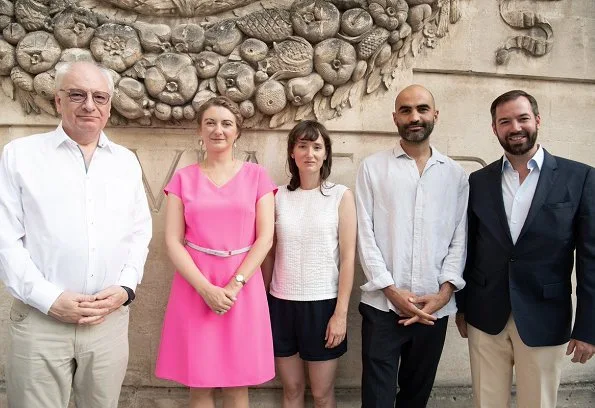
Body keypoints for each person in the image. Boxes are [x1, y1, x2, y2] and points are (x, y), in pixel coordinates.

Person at [0, 61, 152, 408]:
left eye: (99, 97)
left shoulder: (125, 162)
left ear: (109, 106)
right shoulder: (20, 156)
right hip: (41, 320)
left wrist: (126, 289)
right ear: (58, 101)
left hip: (107, 321)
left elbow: (139, 232)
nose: (89, 105)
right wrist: (49, 299)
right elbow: (5, 240)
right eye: (77, 95)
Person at [455, 89, 595, 408]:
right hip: (485, 316)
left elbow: (591, 259)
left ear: (537, 121)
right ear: (494, 129)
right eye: (505, 121)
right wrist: (462, 307)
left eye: (522, 118)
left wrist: (589, 327)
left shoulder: (580, 178)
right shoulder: (478, 181)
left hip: (546, 316)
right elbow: (468, 248)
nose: (515, 127)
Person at [155, 96, 277, 407]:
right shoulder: (183, 179)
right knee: (200, 383)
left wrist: (235, 285)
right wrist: (205, 289)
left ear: (238, 132)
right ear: (200, 129)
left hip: (242, 288)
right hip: (195, 286)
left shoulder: (257, 176)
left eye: (226, 124)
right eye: (210, 122)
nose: (218, 130)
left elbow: (265, 238)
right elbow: (172, 240)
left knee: (238, 384)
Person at [356, 84, 469, 408]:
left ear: (435, 114)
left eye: (422, 109)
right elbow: (366, 236)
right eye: (406, 110)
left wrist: (444, 294)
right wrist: (392, 291)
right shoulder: (373, 168)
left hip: (434, 310)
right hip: (382, 308)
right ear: (395, 117)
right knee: (376, 400)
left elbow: (458, 241)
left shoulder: (455, 175)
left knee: (415, 398)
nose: (414, 116)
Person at [262, 120, 357, 408]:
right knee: (291, 389)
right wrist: (263, 303)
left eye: (317, 147)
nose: (310, 153)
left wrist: (340, 314)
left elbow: (348, 257)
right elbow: (269, 252)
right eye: (302, 146)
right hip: (281, 304)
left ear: (326, 153)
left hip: (322, 306)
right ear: (292, 152)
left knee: (321, 394)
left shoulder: (340, 196)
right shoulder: (277, 196)